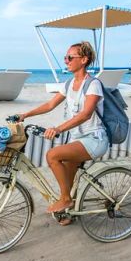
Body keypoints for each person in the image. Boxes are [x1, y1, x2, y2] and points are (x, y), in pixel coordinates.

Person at [16, 41, 109, 215]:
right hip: (77, 139)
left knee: (52, 155)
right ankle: (67, 210)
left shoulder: (93, 84)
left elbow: (85, 115)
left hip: (94, 139)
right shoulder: (68, 84)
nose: (66, 60)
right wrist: (25, 115)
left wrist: (58, 129)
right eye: (65, 57)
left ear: (84, 60)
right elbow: (50, 104)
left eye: (70, 57)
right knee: (67, 178)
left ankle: (66, 199)